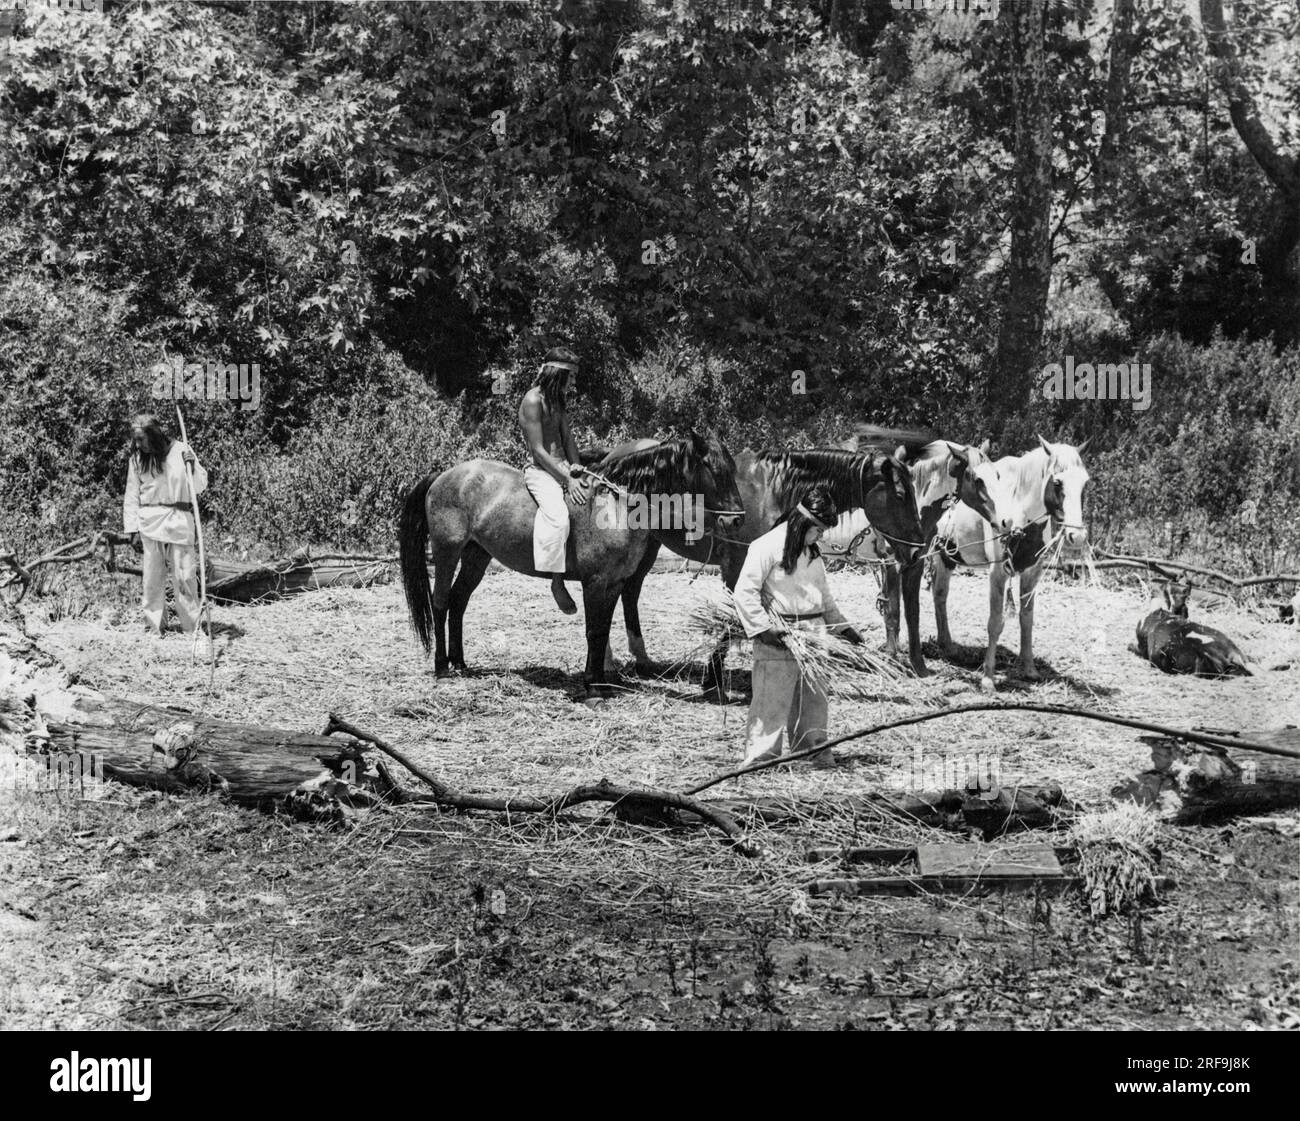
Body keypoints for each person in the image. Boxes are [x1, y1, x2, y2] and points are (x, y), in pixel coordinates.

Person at [732, 485, 864, 770]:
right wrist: (764, 629)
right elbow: (744, 591)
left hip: (815, 636)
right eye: (818, 529)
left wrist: (843, 629)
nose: (820, 536)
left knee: (814, 702)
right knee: (771, 703)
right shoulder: (765, 546)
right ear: (803, 521)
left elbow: (824, 598)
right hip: (780, 637)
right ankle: (761, 761)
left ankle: (814, 754)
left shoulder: (812, 553)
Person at [122, 413, 207, 636]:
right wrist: (132, 530)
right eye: (136, 440)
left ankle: (192, 628)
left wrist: (193, 467)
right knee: (152, 579)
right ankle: (154, 626)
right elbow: (131, 495)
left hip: (179, 522)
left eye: (141, 439)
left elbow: (199, 487)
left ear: (154, 435)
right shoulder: (137, 460)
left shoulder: (182, 451)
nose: (137, 444)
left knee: (185, 578)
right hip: (150, 524)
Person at [518, 346, 588, 614]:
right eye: (570, 377)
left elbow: (567, 438)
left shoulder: (557, 400)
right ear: (557, 374)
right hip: (541, 472)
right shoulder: (532, 401)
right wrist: (566, 479)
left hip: (564, 468)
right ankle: (556, 583)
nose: (573, 383)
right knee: (558, 518)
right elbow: (538, 450)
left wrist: (578, 468)